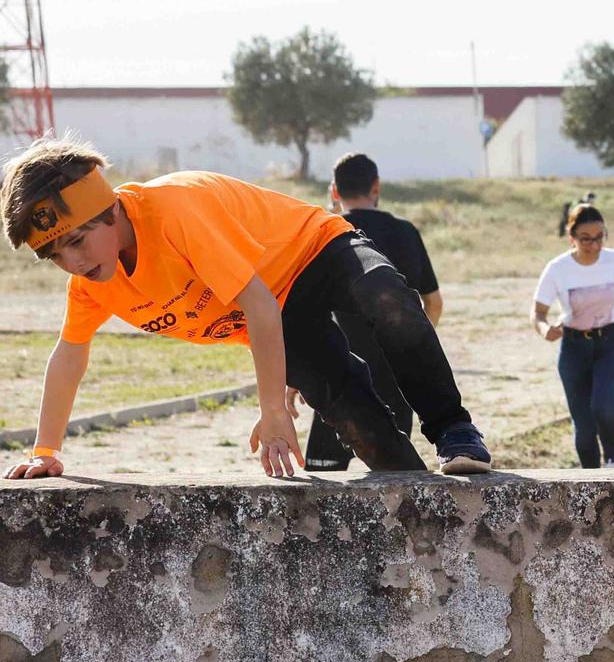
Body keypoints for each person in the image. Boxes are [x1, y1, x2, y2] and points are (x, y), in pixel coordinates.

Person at [1, 137, 490, 479]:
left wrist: (272, 408)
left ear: (110, 211)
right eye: (54, 254)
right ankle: (419, 500)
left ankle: (454, 429)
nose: (73, 261)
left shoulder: (173, 212)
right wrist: (45, 451)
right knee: (354, 417)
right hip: (278, 310)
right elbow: (69, 357)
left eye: (78, 241)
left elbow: (254, 300)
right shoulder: (92, 285)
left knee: (387, 299)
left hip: (313, 250)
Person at [303, 152, 445, 472]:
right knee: (394, 479)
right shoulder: (406, 232)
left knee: (324, 480)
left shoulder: (322, 234)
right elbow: (433, 303)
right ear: (376, 186)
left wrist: (296, 375)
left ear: (335, 192)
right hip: (396, 376)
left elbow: (304, 311)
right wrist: (413, 347)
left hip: (335, 374)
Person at [531, 205, 614, 469]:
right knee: (584, 424)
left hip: (613, 344)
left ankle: (612, 462)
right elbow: (538, 312)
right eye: (586, 238)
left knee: (604, 407)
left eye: (599, 236)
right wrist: (545, 329)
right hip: (574, 348)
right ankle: (590, 478)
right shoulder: (558, 268)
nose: (594, 244)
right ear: (571, 237)